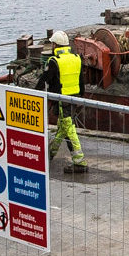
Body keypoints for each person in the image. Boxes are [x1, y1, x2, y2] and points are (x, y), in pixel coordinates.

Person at [35, 30, 89, 174]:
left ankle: (79, 161)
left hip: (61, 99)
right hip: (74, 98)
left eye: (52, 44)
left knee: (68, 128)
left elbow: (44, 79)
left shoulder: (54, 61)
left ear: (55, 45)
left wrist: (33, 93)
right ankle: (50, 153)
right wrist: (80, 97)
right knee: (63, 126)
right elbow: (81, 81)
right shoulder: (76, 58)